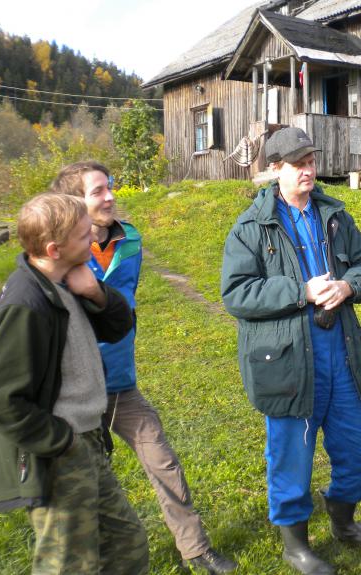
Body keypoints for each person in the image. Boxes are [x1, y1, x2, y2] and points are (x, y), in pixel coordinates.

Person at [50, 161, 237, 574]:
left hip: (121, 384)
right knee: (88, 483)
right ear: (73, 203)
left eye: (110, 187)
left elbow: (125, 302)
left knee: (163, 461)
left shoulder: (130, 239)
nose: (110, 197)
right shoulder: (58, 255)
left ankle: (195, 549)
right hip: (75, 394)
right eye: (98, 191)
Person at [220, 127, 361, 575]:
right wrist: (301, 291)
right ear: (275, 169)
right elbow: (236, 293)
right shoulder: (251, 227)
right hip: (288, 364)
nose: (309, 170)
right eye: (298, 164)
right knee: (290, 458)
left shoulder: (334, 214)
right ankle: (295, 547)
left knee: (360, 449)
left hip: (341, 354)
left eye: (311, 161)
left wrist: (348, 286)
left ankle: (343, 521)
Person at [0, 193, 149, 574]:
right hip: (59, 454)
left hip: (87, 440)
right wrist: (63, 441)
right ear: (54, 249)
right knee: (69, 564)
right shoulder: (27, 303)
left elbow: (119, 327)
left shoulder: (66, 282)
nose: (94, 238)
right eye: (84, 235)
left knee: (126, 544)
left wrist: (95, 291)